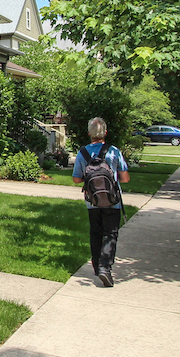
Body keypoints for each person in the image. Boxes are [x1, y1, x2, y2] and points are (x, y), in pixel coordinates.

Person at [73, 116, 131, 287]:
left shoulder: (82, 153)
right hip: (113, 201)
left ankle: (98, 266)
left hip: (92, 202)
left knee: (95, 232)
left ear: (89, 133)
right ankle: (105, 266)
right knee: (110, 233)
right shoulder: (114, 151)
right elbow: (125, 178)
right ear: (105, 132)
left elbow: (76, 179)